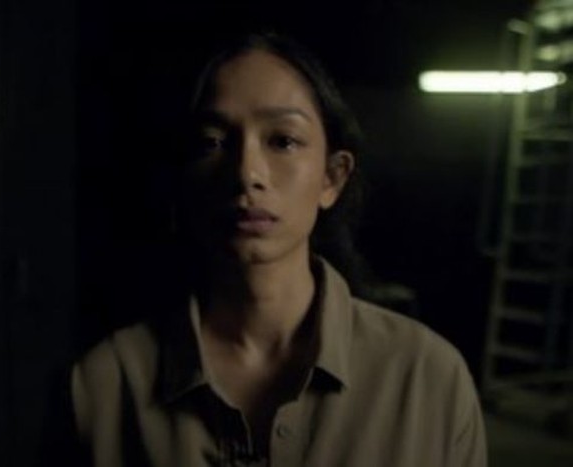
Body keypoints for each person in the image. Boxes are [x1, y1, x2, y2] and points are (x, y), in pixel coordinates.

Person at [69, 32, 487, 466]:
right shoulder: (104, 385)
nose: (246, 173)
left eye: (283, 141)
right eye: (212, 142)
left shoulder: (427, 379)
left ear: (332, 178)